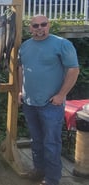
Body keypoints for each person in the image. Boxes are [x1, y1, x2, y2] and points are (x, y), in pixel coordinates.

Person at [18, 15, 79, 185]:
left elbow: (73, 70)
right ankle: (39, 170)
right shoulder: (24, 46)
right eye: (35, 25)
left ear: (49, 25)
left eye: (43, 24)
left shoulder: (62, 44)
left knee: (51, 143)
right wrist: (20, 91)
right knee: (36, 140)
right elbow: (21, 69)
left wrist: (61, 95)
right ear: (30, 28)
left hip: (51, 104)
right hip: (29, 103)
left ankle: (52, 179)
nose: (39, 28)